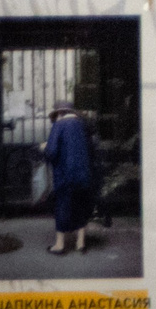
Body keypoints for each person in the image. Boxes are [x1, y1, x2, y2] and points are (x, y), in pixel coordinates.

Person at [43, 105, 96, 257]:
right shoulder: (83, 126)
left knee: (62, 206)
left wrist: (44, 148)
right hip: (84, 174)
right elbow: (91, 150)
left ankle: (60, 245)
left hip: (65, 175)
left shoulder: (59, 126)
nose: (54, 120)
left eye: (55, 117)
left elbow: (52, 152)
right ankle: (81, 243)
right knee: (80, 205)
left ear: (60, 113)